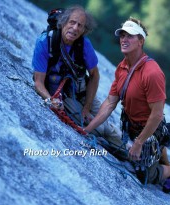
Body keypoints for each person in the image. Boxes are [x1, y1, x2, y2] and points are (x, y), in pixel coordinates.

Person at [84, 17, 170, 193]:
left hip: (149, 130)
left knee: (145, 175)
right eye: (122, 35)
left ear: (141, 41)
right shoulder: (122, 67)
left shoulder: (152, 73)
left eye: (130, 36)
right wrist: (87, 129)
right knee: (120, 149)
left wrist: (138, 143)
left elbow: (157, 114)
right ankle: (158, 152)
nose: (124, 39)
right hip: (132, 127)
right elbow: (110, 103)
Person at [32, 5, 122, 144]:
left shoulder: (84, 45)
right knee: (100, 129)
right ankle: (128, 150)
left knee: (103, 121)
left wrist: (87, 107)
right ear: (63, 22)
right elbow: (38, 82)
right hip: (62, 94)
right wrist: (50, 100)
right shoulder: (45, 42)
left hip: (83, 90)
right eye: (72, 22)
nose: (75, 28)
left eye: (80, 26)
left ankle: (134, 152)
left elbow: (94, 75)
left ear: (84, 30)